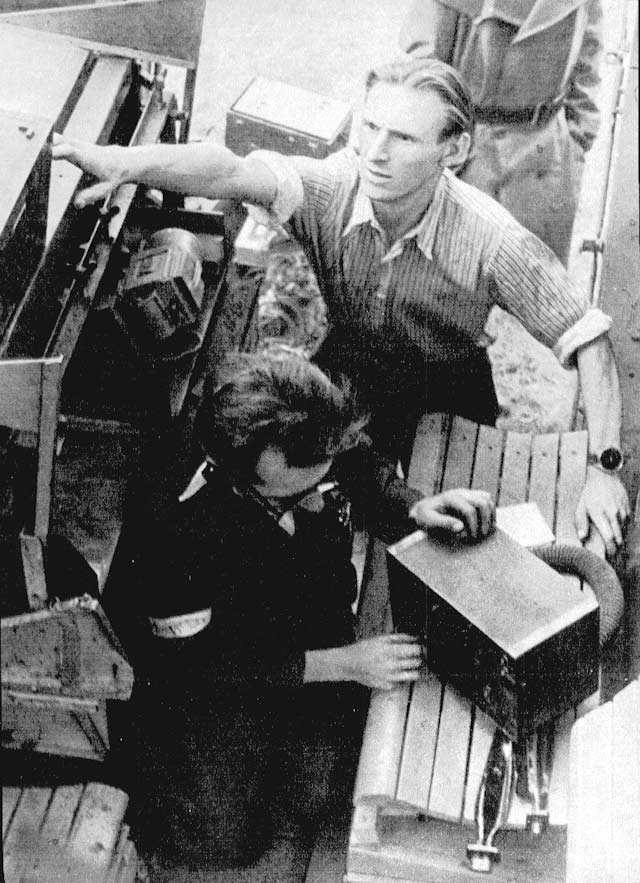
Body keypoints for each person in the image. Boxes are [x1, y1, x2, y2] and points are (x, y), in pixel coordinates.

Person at [51, 55, 628, 554]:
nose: (376, 153)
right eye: (370, 127)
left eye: (403, 138)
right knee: (328, 490)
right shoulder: (331, 187)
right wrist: (126, 164)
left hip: (445, 388)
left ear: (454, 150)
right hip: (352, 369)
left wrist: (605, 471)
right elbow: (230, 169)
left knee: (463, 528)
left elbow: (589, 340)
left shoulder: (491, 239)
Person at [114, 348, 494, 876]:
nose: (320, 493)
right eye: (295, 493)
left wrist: (410, 505)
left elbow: (356, 464)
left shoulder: (306, 417)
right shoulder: (171, 530)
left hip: (294, 597)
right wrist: (341, 664)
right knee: (222, 844)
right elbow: (190, 667)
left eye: (322, 478)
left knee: (320, 766)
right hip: (208, 668)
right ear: (236, 476)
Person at [399, 0, 603, 265]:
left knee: (534, 286)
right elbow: (424, 66)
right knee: (449, 279)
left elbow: (588, 58)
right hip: (468, 147)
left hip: (545, 153)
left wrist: (575, 144)